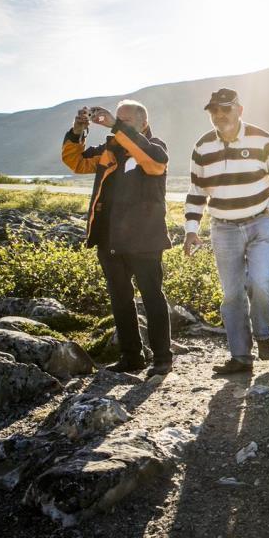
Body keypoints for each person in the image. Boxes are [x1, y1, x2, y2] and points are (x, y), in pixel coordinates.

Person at [184, 88, 269, 374]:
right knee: (232, 294)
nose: (220, 116)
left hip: (260, 222)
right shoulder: (202, 147)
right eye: (214, 111)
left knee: (261, 281)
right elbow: (196, 192)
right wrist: (190, 229)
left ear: (239, 110)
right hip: (223, 228)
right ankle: (241, 357)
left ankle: (263, 334)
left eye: (226, 109)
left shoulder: (263, 139)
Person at [61, 100, 173, 376]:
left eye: (125, 120)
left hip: (145, 238)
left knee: (152, 297)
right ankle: (131, 357)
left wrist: (115, 126)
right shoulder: (109, 150)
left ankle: (162, 358)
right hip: (110, 239)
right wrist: (77, 131)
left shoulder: (154, 147)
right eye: (116, 120)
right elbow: (76, 161)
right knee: (120, 298)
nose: (117, 124)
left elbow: (156, 164)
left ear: (142, 123)